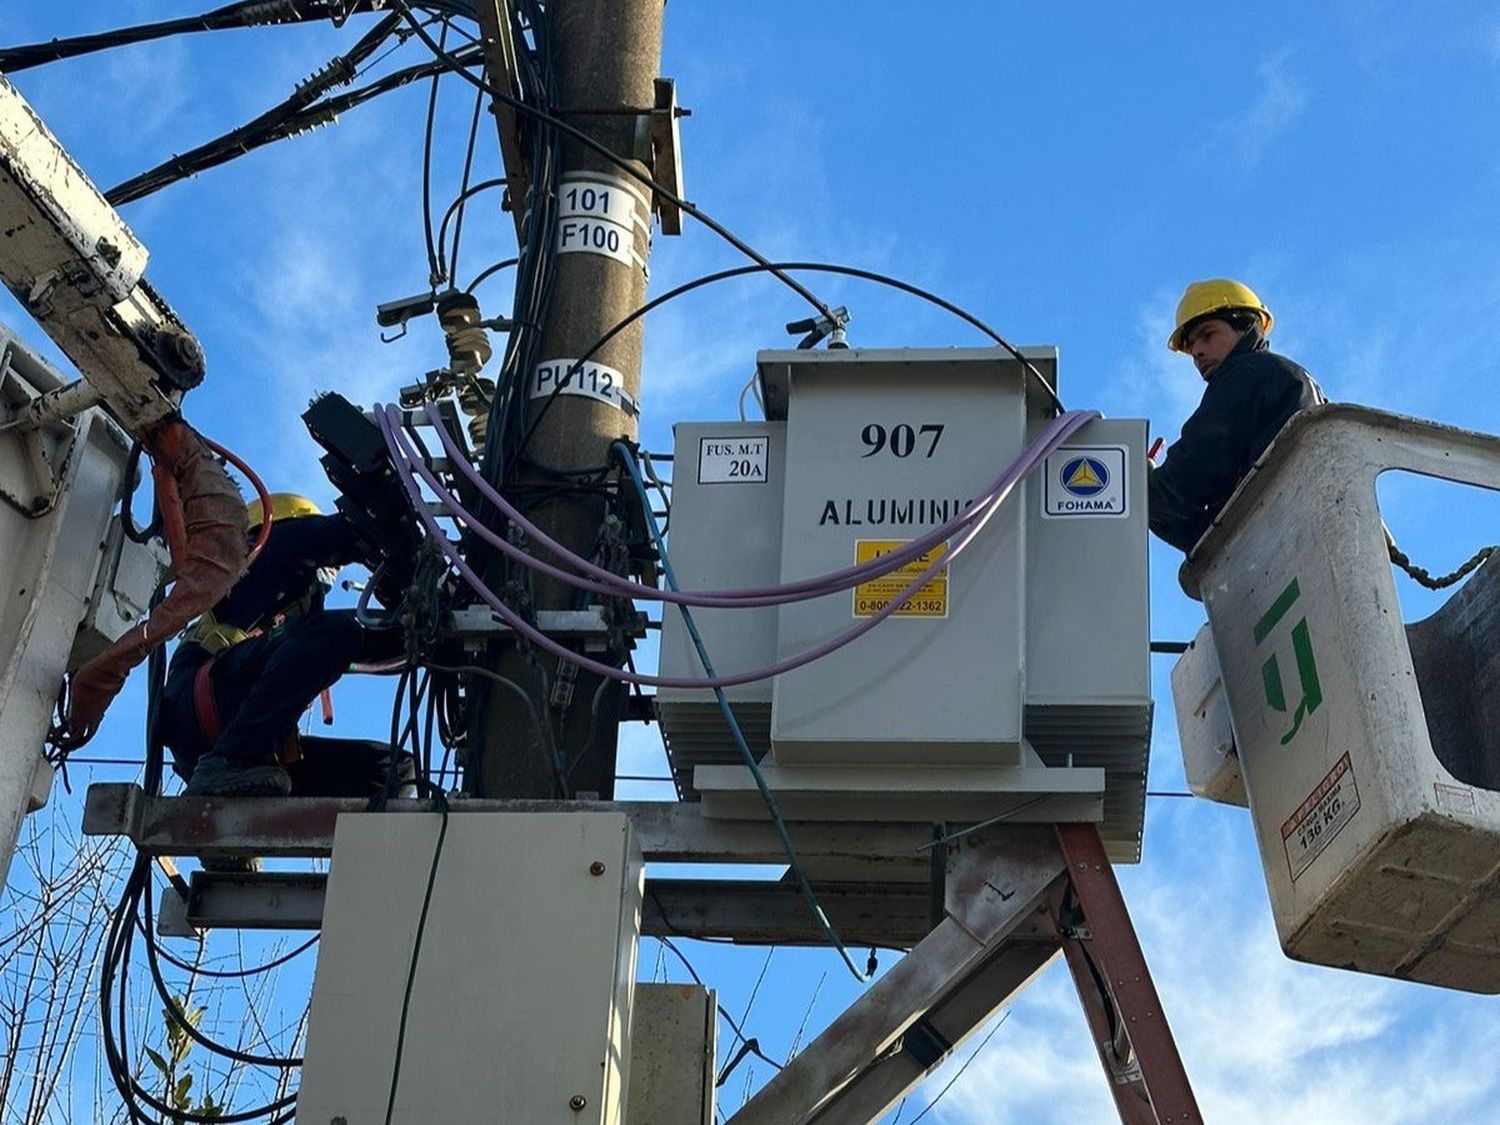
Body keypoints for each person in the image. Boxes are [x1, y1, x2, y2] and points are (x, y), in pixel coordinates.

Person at [159, 492, 411, 798]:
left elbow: (366, 642)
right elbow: (338, 537)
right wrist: (390, 525)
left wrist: (422, 632)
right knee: (336, 630)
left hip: (238, 742)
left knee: (391, 772)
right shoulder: (262, 557)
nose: (331, 573)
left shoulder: (288, 624)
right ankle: (234, 760)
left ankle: (240, 766)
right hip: (203, 705)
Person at [1148, 279, 1324, 553]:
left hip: (1279, 536)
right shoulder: (1283, 377)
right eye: (1191, 345)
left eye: (1208, 334)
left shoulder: (1245, 375)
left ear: (1246, 327)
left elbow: (1181, 485)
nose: (1197, 351)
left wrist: (1138, 484)